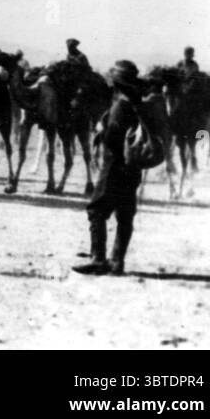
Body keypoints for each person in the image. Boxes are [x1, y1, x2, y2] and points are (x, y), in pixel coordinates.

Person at [75, 60, 148, 276]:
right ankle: (117, 261)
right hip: (132, 168)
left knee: (96, 210)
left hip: (114, 166)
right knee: (125, 215)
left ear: (116, 83)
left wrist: (100, 129)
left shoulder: (120, 106)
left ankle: (98, 259)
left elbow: (112, 138)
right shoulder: (137, 103)